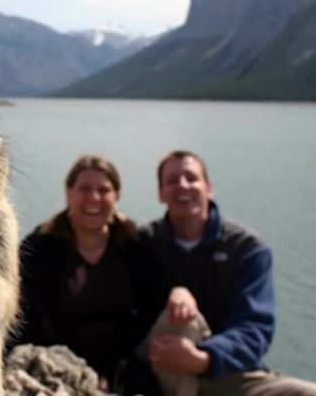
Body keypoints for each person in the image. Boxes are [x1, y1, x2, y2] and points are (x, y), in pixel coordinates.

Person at [135, 150, 316, 395]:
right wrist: (176, 293)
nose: (183, 186)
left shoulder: (247, 249)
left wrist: (204, 358)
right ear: (161, 193)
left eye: (191, 178)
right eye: (172, 181)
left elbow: (254, 328)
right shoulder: (143, 242)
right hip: (161, 371)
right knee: (178, 319)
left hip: (226, 374)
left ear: (209, 188)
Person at [10, 155, 139, 391]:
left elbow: (150, 307)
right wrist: (78, 371)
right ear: (69, 193)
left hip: (120, 365)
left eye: (104, 190)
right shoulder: (40, 247)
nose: (94, 198)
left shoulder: (133, 244)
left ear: (117, 196)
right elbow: (30, 321)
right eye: (85, 189)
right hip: (55, 361)